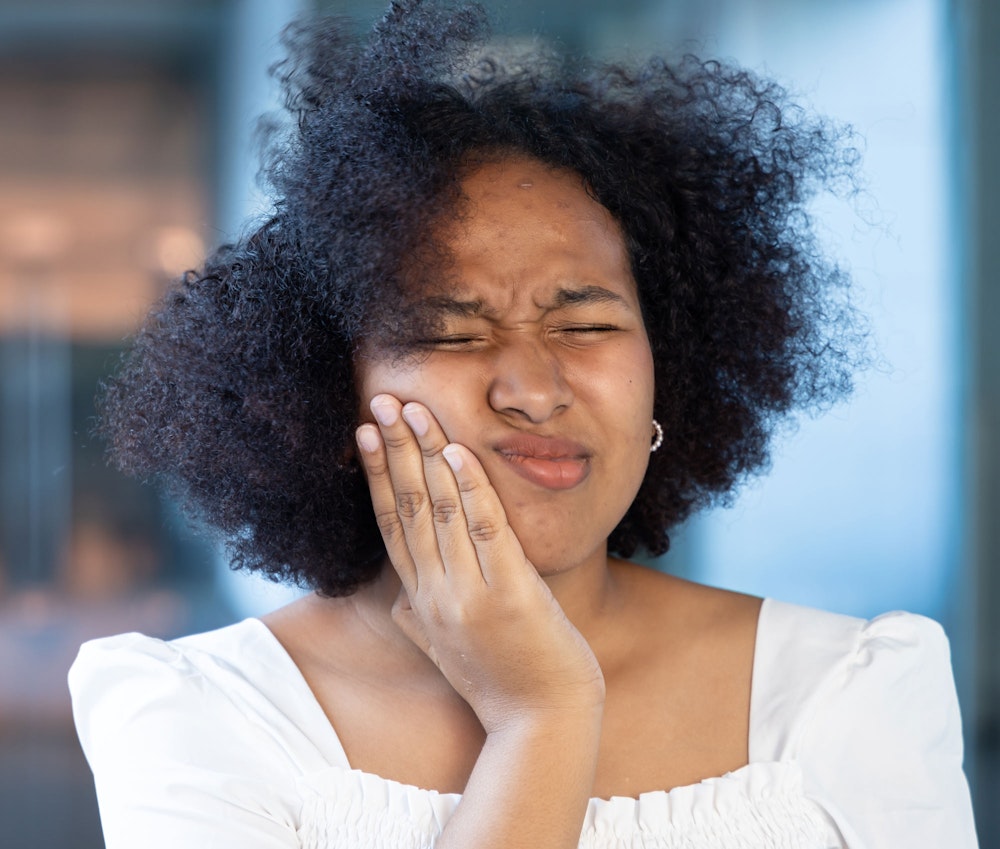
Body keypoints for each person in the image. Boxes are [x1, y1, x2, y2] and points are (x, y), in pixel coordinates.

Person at [68, 1, 978, 846]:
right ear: (321, 387)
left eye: (586, 326)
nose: (536, 388)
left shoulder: (850, 689)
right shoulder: (203, 712)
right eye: (448, 331)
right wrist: (543, 716)